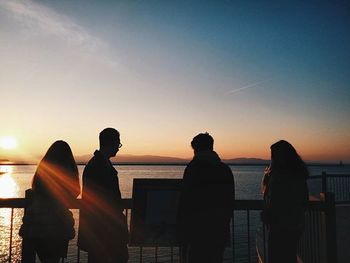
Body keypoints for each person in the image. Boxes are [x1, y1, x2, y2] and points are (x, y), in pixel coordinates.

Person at [177, 133, 235, 263]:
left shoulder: (193, 168)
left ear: (195, 149)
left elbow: (186, 200)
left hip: (196, 231)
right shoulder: (224, 169)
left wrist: (182, 229)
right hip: (219, 229)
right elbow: (229, 200)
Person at [20, 140, 80, 263]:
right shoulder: (68, 169)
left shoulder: (43, 168)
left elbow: (35, 187)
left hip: (35, 223)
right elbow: (75, 191)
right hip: (57, 224)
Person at [78, 128, 129, 263]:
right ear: (111, 143)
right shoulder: (99, 165)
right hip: (105, 231)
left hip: (100, 230)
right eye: (118, 144)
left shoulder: (97, 163)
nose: (119, 148)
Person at [261, 140, 309, 263]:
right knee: (289, 256)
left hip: (280, 226)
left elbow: (275, 201)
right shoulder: (298, 174)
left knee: (276, 257)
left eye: (273, 156)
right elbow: (304, 199)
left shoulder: (277, 176)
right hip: (296, 224)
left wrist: (267, 215)